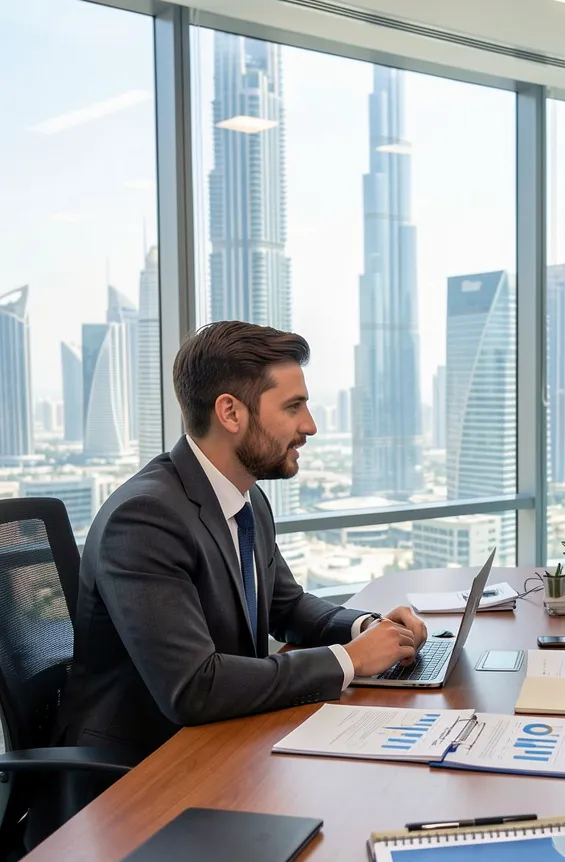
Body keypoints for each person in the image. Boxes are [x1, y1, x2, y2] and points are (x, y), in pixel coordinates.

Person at [56, 321, 427, 762]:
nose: (310, 425)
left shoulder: (246, 498)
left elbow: (286, 606)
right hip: (142, 768)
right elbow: (193, 687)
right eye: (293, 407)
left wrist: (368, 629)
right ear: (230, 413)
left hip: (226, 739)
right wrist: (349, 660)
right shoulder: (144, 519)